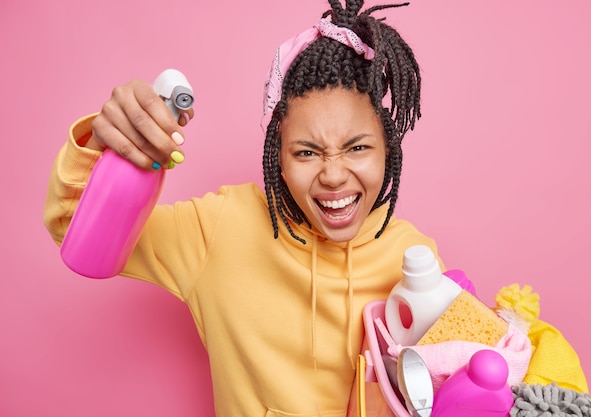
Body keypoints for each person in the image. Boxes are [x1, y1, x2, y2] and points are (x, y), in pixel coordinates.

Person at [44, 0, 444, 415]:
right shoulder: (220, 228)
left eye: (357, 148)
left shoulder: (414, 260)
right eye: (306, 153)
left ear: (387, 151)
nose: (333, 175)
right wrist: (104, 145)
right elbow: (72, 226)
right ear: (279, 160)